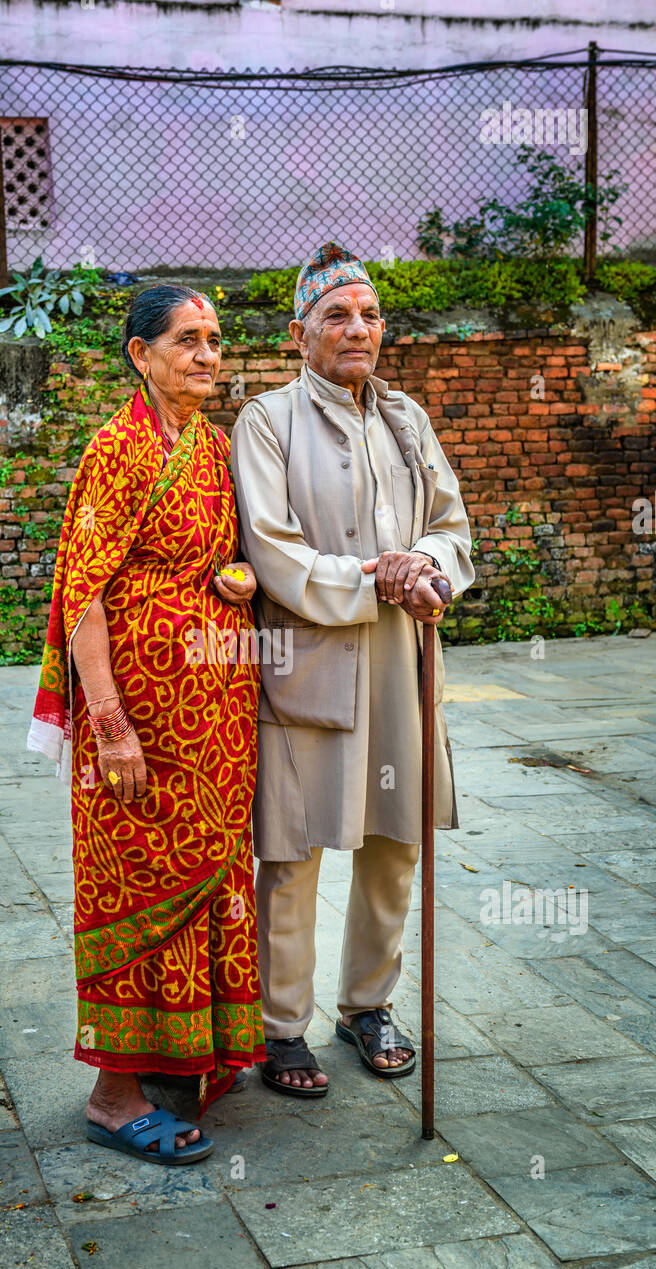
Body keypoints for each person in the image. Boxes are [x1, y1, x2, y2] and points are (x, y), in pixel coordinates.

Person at [230, 242, 474, 1097]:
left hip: (402, 660)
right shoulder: (267, 421)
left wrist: (428, 565)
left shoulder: (407, 417)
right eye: (338, 315)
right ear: (301, 333)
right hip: (312, 663)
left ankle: (367, 1006)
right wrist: (380, 574)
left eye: (369, 315)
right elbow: (274, 555)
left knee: (393, 842)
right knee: (293, 852)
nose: (357, 329)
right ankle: (280, 1028)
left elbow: (452, 525)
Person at [28, 284, 266, 1163]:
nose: (209, 355)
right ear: (140, 353)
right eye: (188, 340)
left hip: (216, 714)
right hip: (137, 721)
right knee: (134, 889)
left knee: (212, 877)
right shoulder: (117, 449)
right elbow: (82, 592)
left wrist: (236, 578)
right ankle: (114, 1094)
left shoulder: (213, 447)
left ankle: (190, 1058)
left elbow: (225, 555)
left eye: (215, 340)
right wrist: (113, 727)